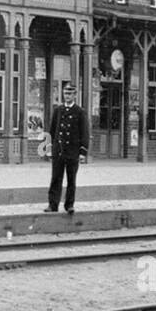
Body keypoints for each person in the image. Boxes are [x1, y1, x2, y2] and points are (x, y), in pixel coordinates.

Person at [44, 83, 89, 216]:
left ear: (75, 95)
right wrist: (49, 148)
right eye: (65, 93)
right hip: (59, 150)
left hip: (73, 151)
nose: (67, 96)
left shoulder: (80, 112)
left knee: (71, 180)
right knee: (56, 178)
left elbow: (84, 132)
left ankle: (69, 205)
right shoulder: (58, 110)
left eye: (70, 94)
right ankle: (53, 204)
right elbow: (52, 130)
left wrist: (82, 152)